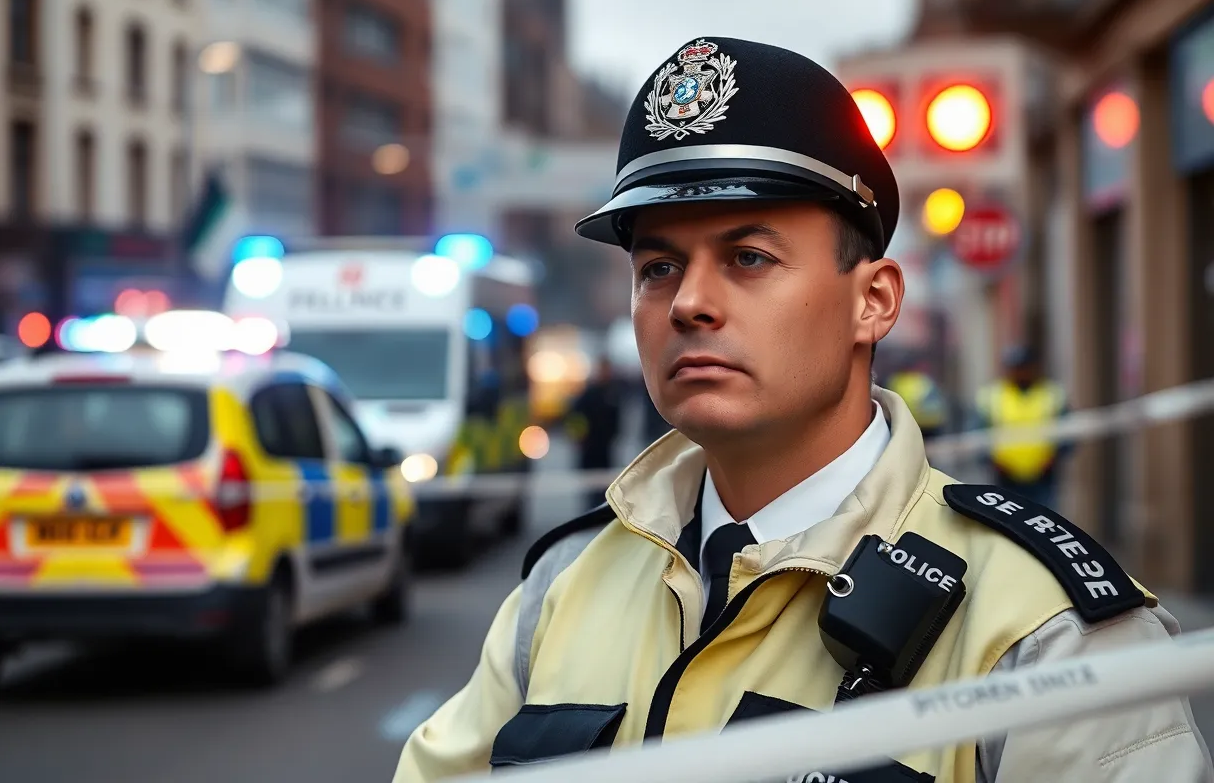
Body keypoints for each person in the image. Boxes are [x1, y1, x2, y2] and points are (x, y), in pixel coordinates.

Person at [394, 38, 1213, 782]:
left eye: (749, 257)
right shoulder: (564, 586)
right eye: (658, 268)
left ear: (874, 302)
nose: (689, 303)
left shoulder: (1042, 632)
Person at [975, 345, 1072, 511]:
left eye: (1024, 367)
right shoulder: (992, 395)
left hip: (1043, 476)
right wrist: (992, 461)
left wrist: (1053, 459)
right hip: (1005, 476)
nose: (1020, 372)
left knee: (1045, 523)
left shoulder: (1052, 394)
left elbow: (1068, 433)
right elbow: (978, 433)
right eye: (1016, 368)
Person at [563, 355, 623, 510]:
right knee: (590, 492)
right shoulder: (588, 394)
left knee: (605, 491)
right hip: (590, 451)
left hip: (605, 451)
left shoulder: (613, 393)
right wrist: (580, 438)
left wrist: (614, 436)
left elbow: (616, 421)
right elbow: (575, 417)